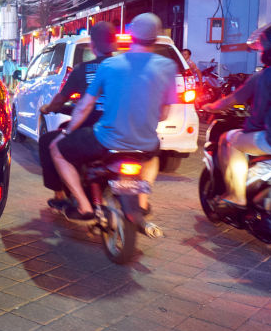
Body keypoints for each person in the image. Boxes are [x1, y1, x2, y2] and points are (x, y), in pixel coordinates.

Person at [50, 13, 177, 220]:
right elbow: (163, 114)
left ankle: (84, 206)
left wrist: (67, 133)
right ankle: (142, 202)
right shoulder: (169, 67)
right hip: (145, 142)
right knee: (153, 155)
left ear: (130, 36)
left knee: (56, 150)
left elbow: (84, 106)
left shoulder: (110, 65)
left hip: (106, 139)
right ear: (156, 38)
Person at [39, 21, 116, 209]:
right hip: (123, 130)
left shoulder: (82, 70)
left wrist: (48, 108)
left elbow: (63, 100)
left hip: (91, 132)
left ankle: (60, 195)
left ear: (93, 45)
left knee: (49, 142)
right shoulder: (125, 68)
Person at [202, 22, 271, 211]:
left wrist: (210, 106)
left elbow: (232, 100)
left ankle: (237, 195)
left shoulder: (265, 75)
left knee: (229, 140)